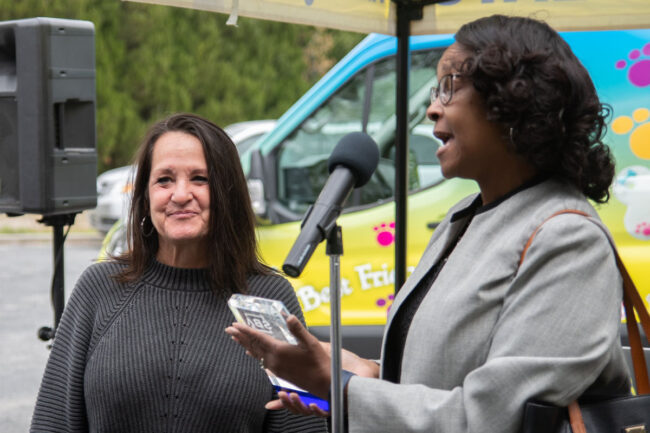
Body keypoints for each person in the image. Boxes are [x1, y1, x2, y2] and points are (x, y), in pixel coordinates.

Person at [225, 15, 632, 433]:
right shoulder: (463, 219)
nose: (431, 107)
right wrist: (361, 373)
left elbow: (488, 419)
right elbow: (440, 379)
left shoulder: (568, 241)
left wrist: (339, 386)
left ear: (513, 101)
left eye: (449, 87)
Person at [30, 113, 327, 433]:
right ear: (145, 198)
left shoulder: (268, 298)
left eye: (200, 178)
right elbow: (53, 423)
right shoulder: (100, 288)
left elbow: (302, 425)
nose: (181, 194)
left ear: (228, 193)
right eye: (164, 180)